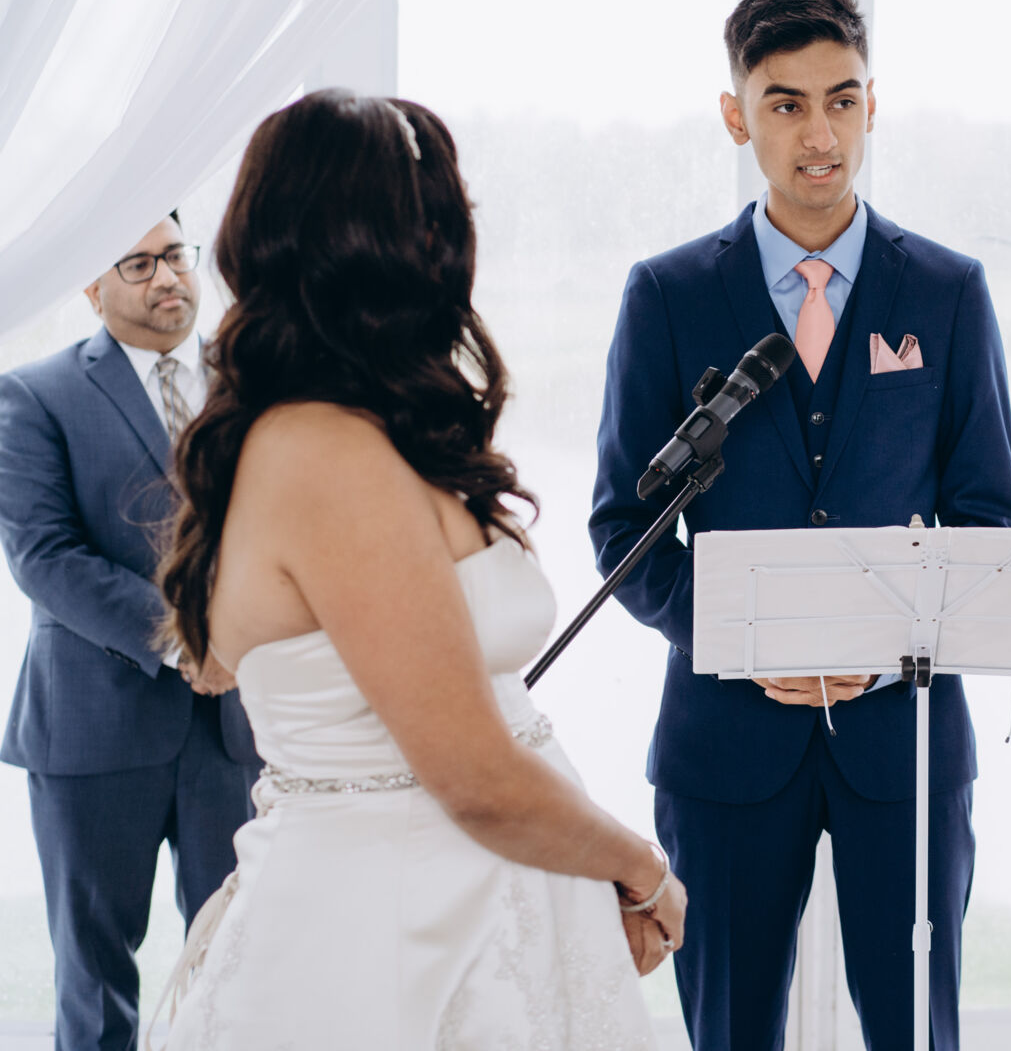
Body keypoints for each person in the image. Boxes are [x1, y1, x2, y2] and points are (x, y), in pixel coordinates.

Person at [148, 89, 680, 1048]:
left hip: (477, 913)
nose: (456, 239)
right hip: (394, 941)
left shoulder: (356, 432)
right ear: (389, 243)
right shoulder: (323, 453)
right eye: (438, 214)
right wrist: (642, 867)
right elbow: (473, 777)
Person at [591, 0, 1011, 1051]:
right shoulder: (668, 295)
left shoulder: (949, 292)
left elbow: (988, 522)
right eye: (785, 104)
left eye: (842, 99)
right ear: (736, 116)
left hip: (904, 741)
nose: (818, 135)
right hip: (724, 749)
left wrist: (883, 647)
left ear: (874, 104)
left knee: (917, 1032)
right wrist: (752, 642)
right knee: (729, 1033)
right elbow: (622, 531)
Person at [0, 213, 258, 1051]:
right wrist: (190, 638)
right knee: (96, 978)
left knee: (239, 963)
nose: (168, 278)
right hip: (93, 726)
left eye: (175, 255)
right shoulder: (34, 393)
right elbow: (45, 556)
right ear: (91, 284)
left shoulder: (254, 380)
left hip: (234, 728)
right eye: (138, 264)